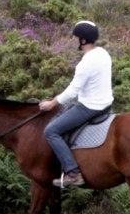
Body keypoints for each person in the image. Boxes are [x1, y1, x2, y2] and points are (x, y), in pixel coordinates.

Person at [39, 21, 113, 190]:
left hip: (90, 107)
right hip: (105, 103)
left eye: (75, 38)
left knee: (51, 131)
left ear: (83, 40)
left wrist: (52, 103)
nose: (73, 40)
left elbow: (72, 91)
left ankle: (73, 173)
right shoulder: (102, 53)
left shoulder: (86, 63)